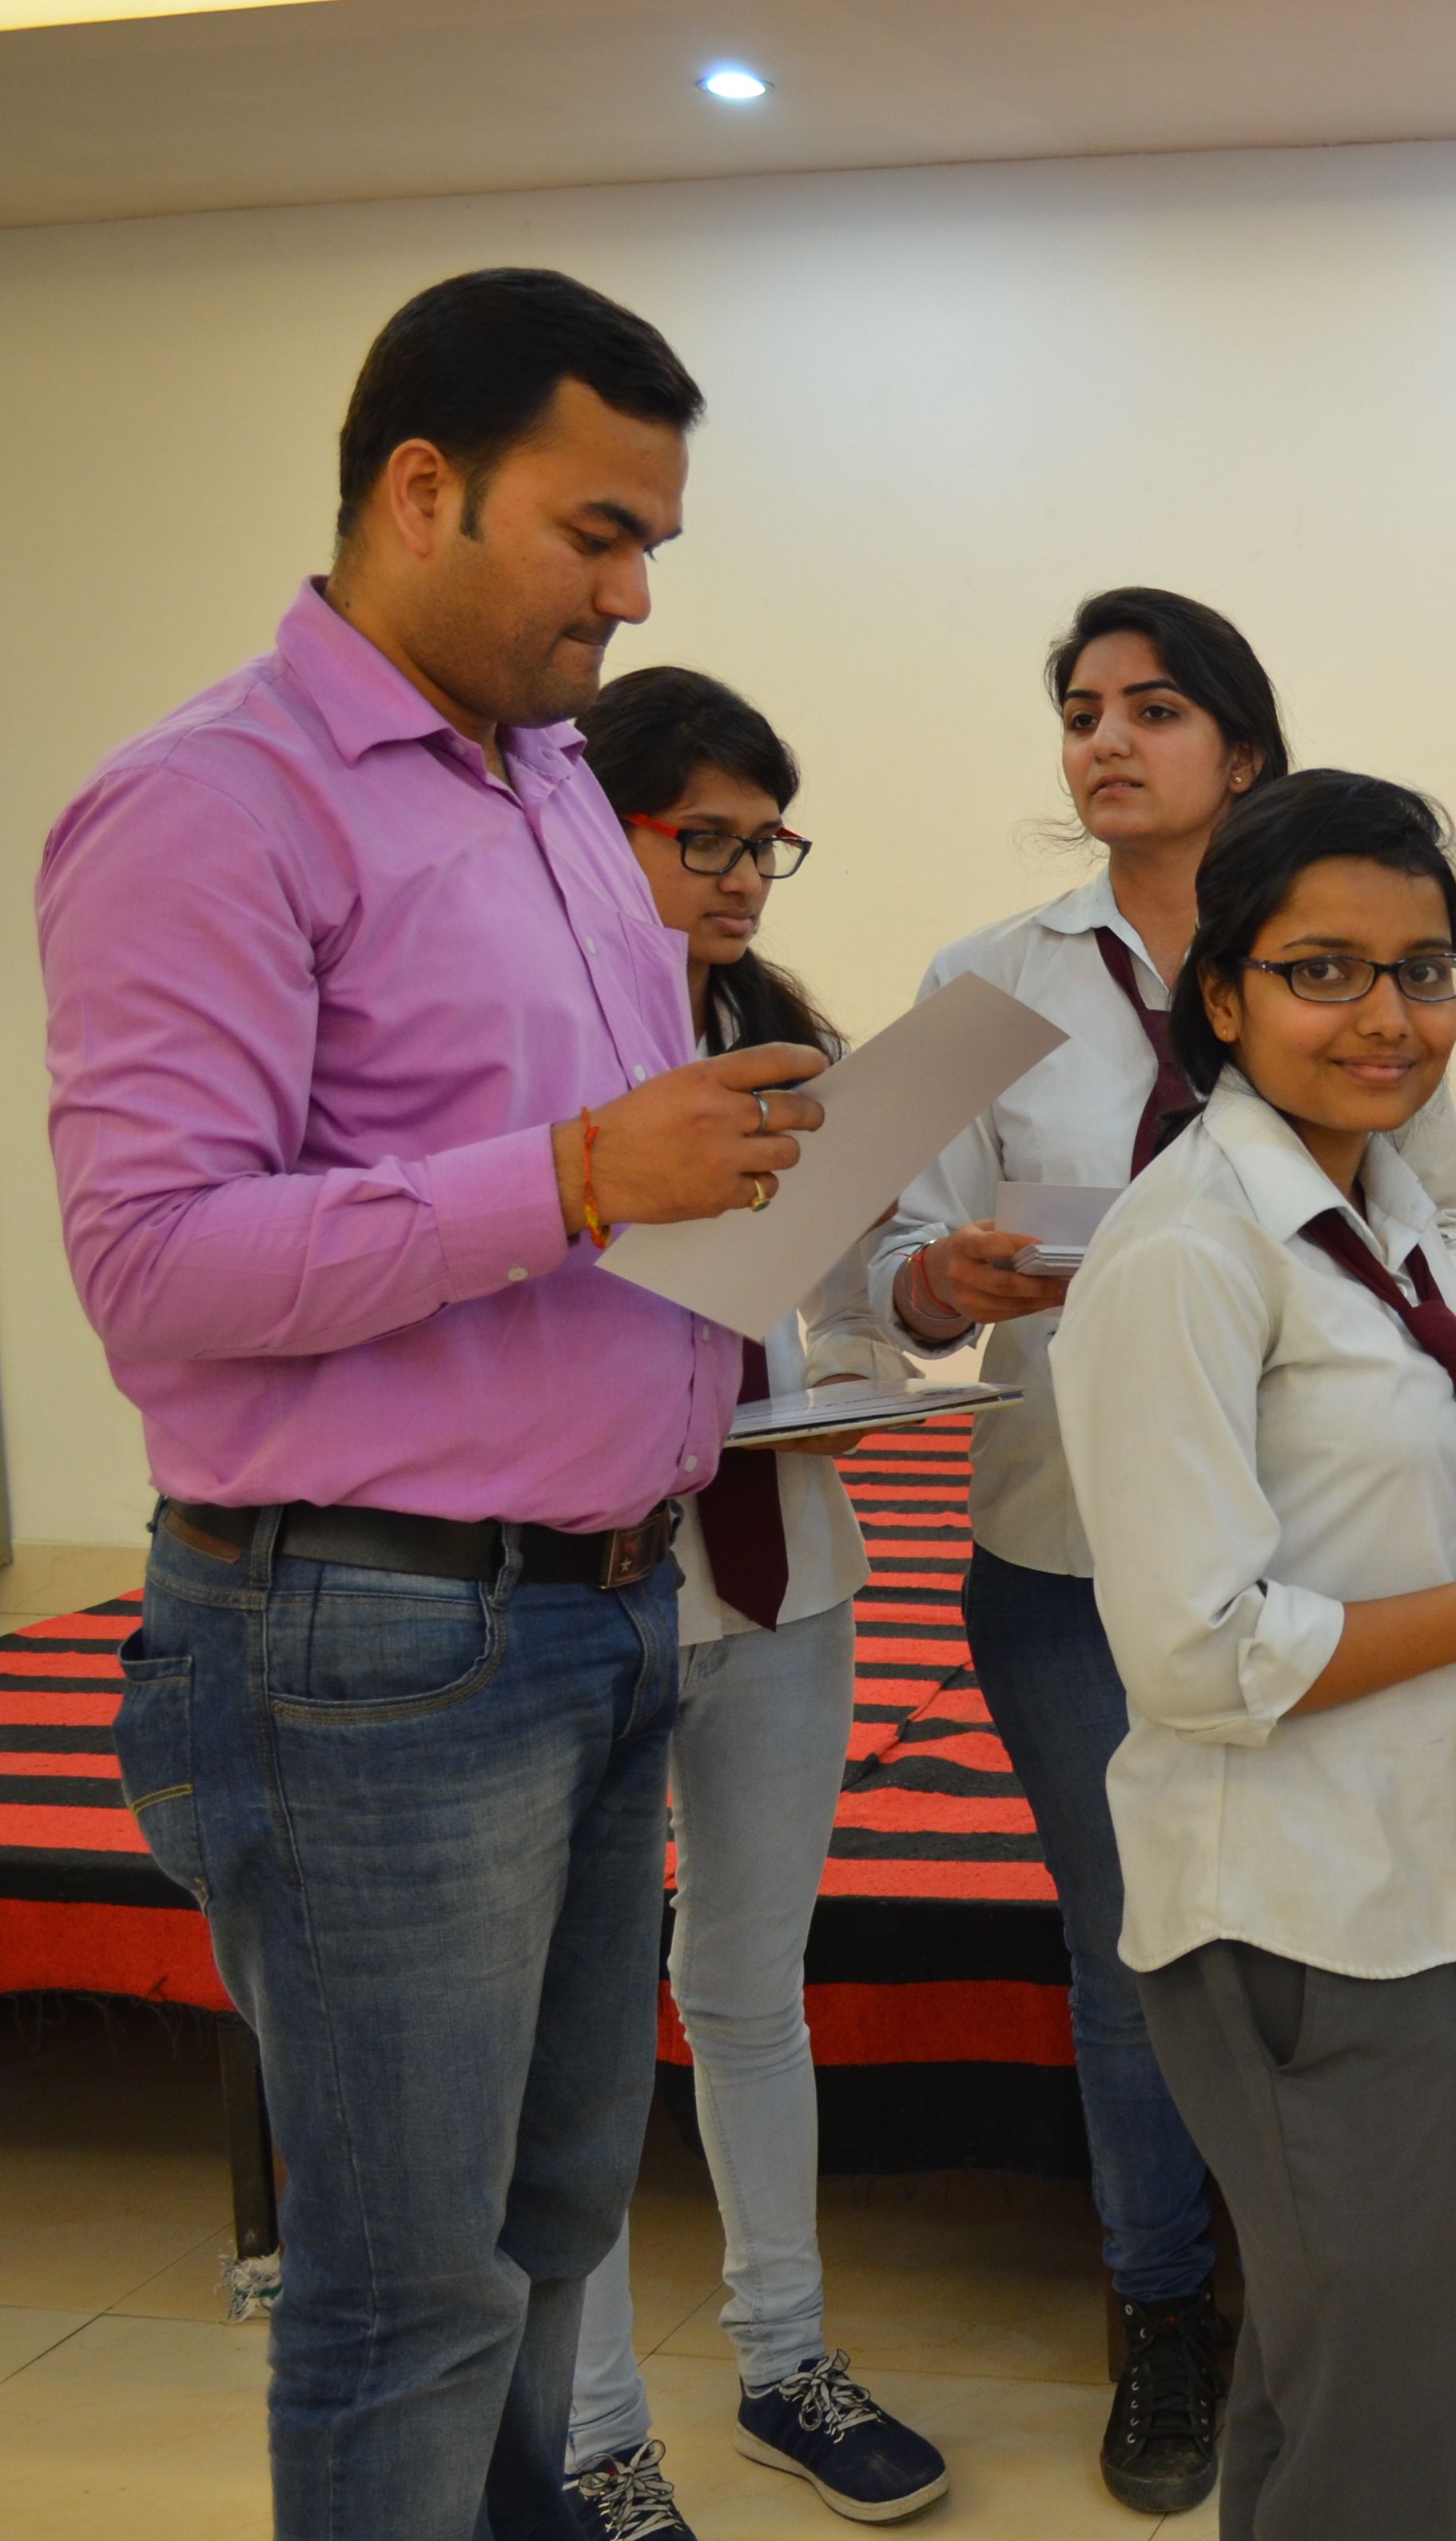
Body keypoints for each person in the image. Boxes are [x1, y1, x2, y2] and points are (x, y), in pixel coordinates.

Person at [42, 269, 829, 2540]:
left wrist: (735, 1176)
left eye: (651, 539)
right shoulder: (210, 806)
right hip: (373, 1643)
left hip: (603, 1605)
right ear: (418, 489)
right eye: (598, 532)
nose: (635, 593)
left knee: (551, 2225)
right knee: (405, 2297)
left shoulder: (557, 787)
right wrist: (580, 1173)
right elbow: (154, 1266)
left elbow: (588, 1182)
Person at [865, 589, 1456, 2512]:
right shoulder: (986, 982)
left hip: (1336, 1551)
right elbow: (845, 1254)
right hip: (1074, 1537)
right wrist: (939, 1282)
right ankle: (1161, 2312)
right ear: (1230, 998)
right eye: (1080, 710)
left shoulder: (1349, 971)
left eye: (1152, 708)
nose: (1105, 742)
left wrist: (1381, 1388)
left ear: (1245, 747)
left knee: (1272, 2013)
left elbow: (1446, 1231)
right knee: (1140, 1943)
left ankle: (1295, 2298)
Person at [1054, 770, 1456, 2540]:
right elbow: (1191, 1648)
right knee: (1377, 2415)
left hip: (1419, 1868)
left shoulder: (1377, 1209)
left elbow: (1354, 1512)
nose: (1388, 1016)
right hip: (1293, 1908)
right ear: (1222, 992)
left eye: (1424, 967)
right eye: (1323, 970)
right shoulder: (1187, 1250)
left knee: (1334, 2372)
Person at [549, 668, 951, 2535]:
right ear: (591, 822)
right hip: (583, 1582)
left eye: (763, 843)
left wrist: (868, 1361)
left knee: (750, 1987)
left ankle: (785, 2362)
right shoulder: (535, 1034)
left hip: (780, 1565)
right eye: (698, 836)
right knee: (575, 2031)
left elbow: (852, 1296)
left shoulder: (782, 1038)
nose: (736, 875)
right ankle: (593, 2436)